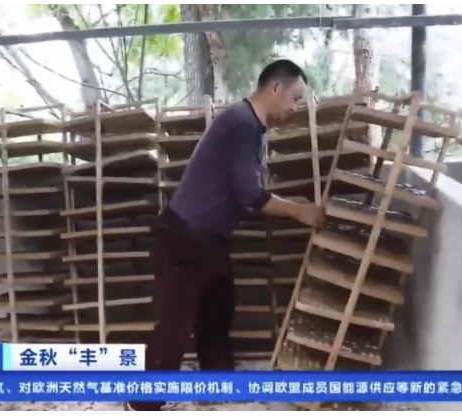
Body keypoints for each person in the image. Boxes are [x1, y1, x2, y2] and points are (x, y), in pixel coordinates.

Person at [127, 59, 321, 411]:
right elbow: (251, 195)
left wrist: (290, 203)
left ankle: (217, 383)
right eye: (295, 98)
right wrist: (299, 211)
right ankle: (141, 402)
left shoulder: (250, 127)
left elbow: (242, 191)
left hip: (206, 238)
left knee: (218, 309)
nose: (295, 107)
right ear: (275, 88)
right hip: (186, 235)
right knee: (177, 321)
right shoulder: (241, 125)